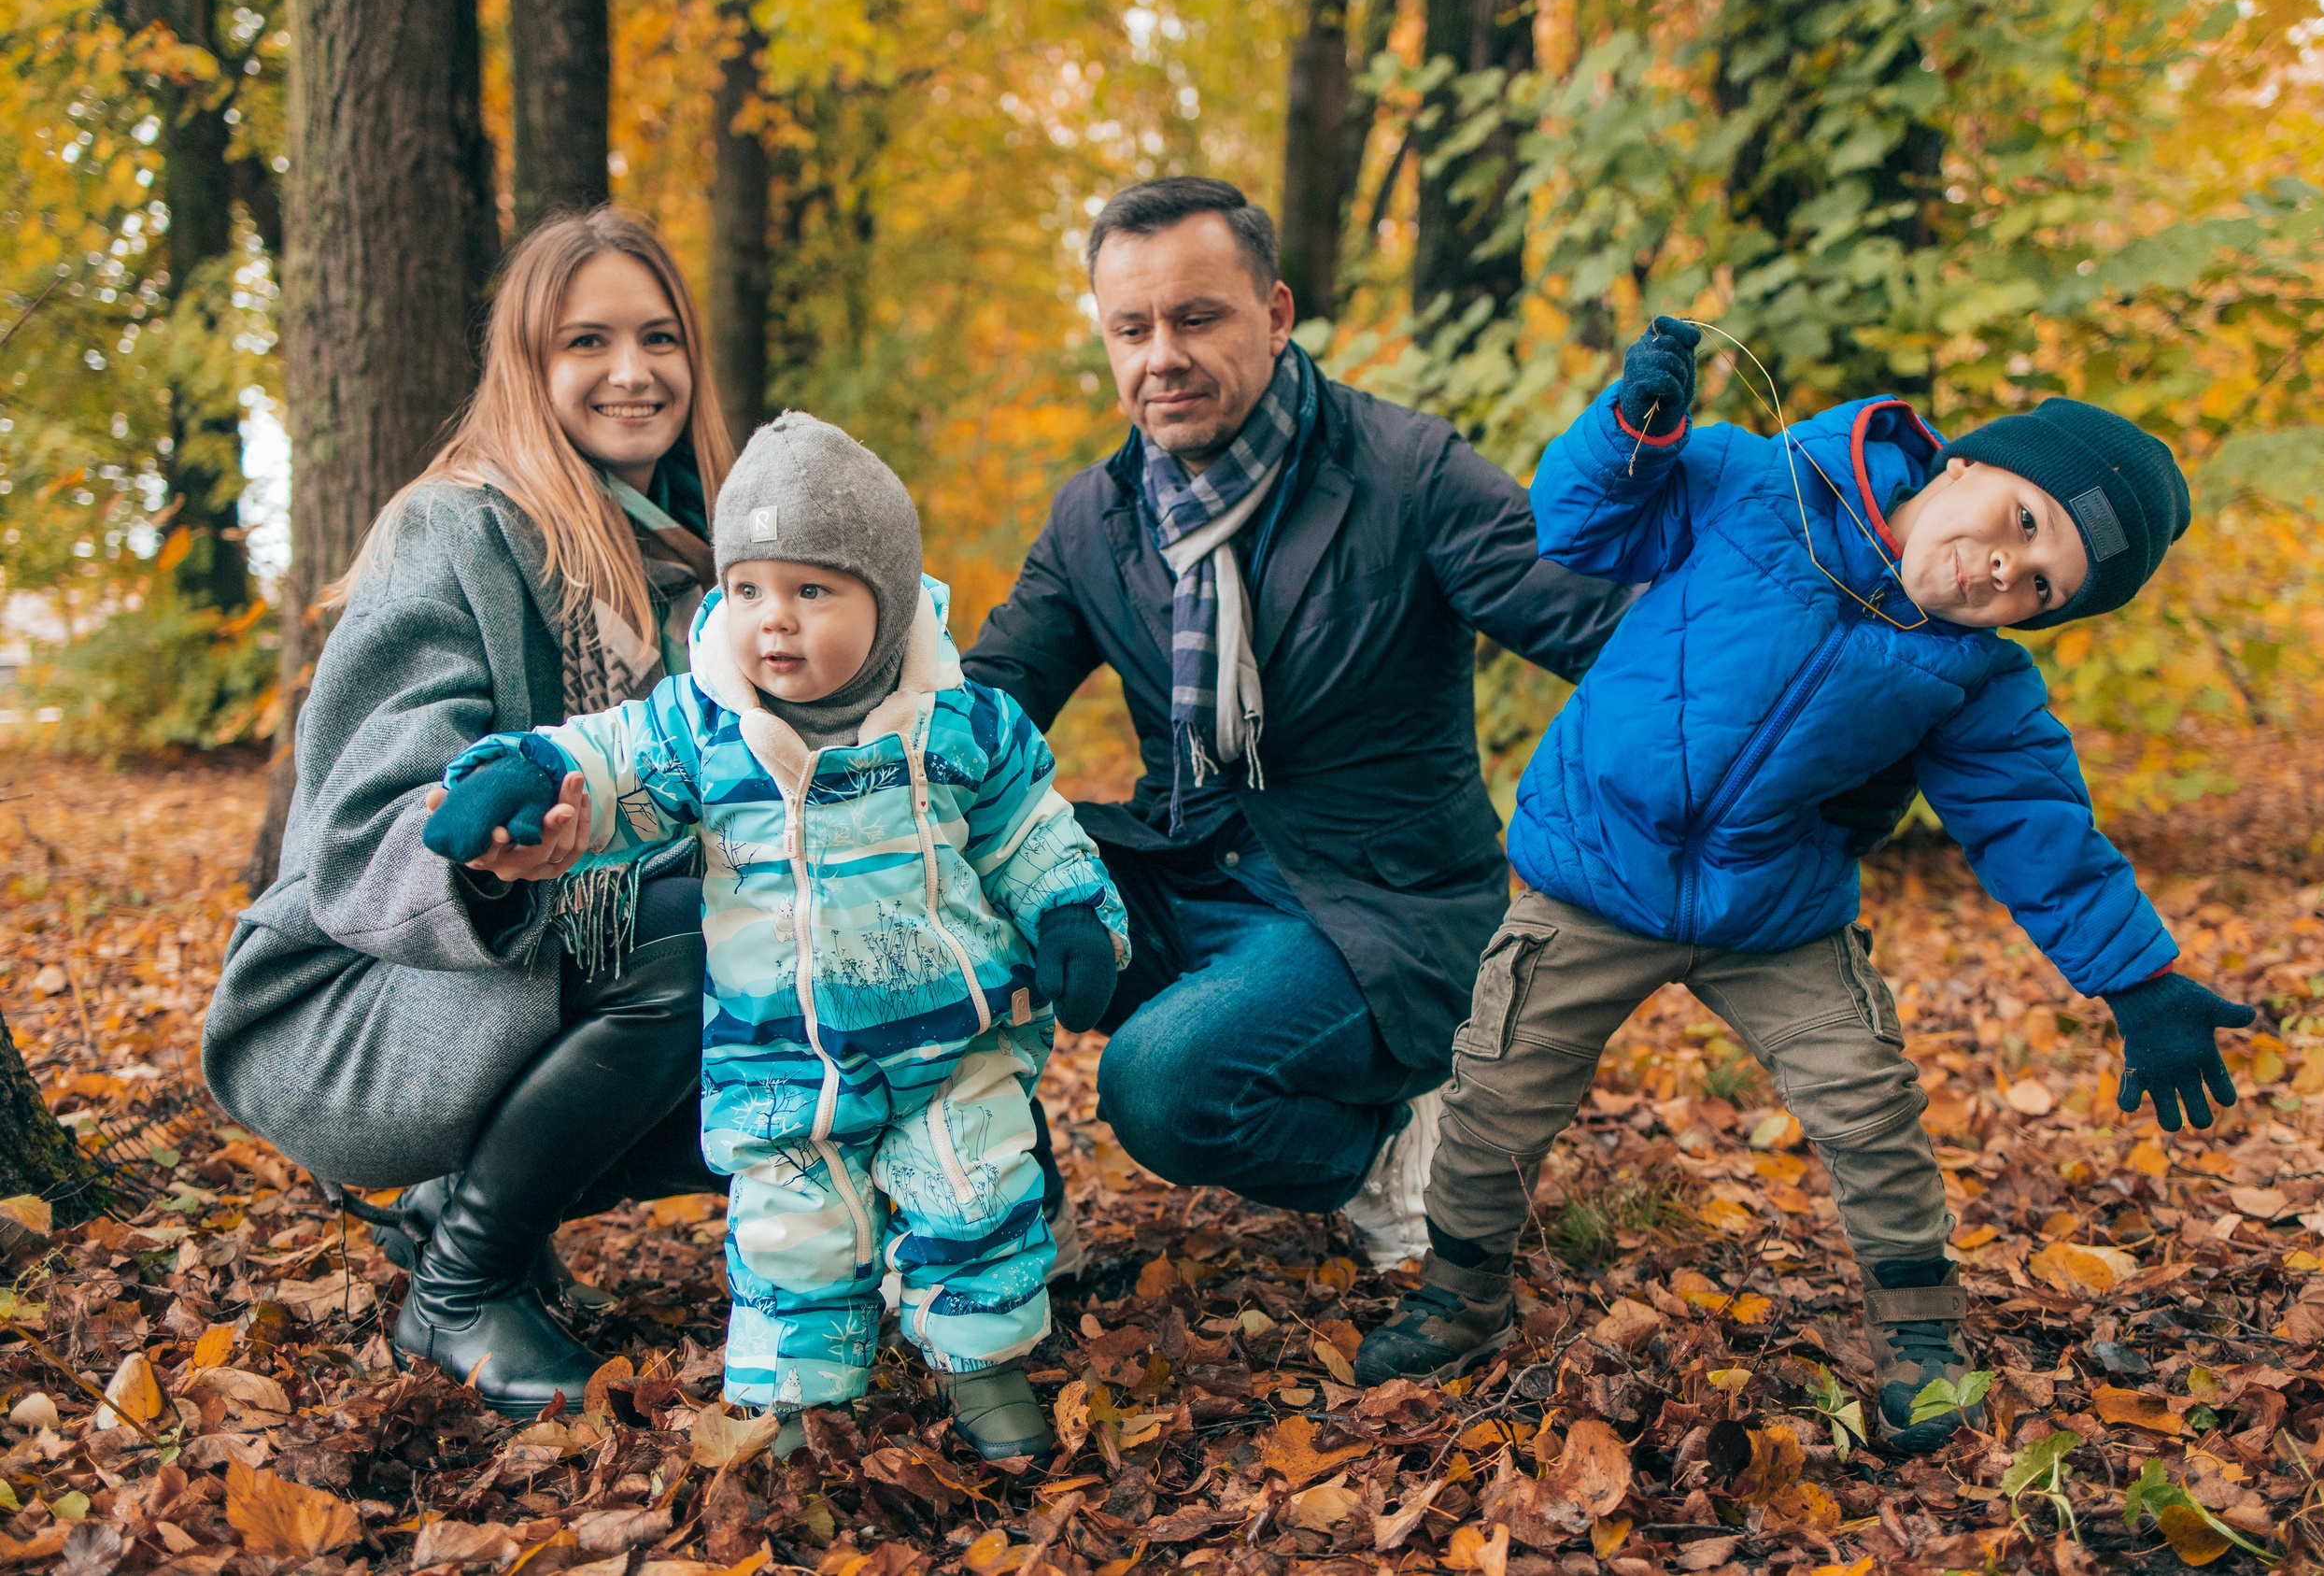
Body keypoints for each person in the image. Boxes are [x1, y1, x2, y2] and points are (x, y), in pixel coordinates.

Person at [963, 179, 1918, 1268]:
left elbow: (1608, 636)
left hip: (1375, 907)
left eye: (1196, 318)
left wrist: (1839, 726)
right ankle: (1002, 1209)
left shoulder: (1404, 473)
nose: (1160, 357)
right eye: (1130, 328)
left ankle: (1389, 1146)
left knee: (1162, 1087)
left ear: (1274, 315)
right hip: (1184, 866)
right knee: (946, 878)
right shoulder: (1096, 516)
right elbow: (979, 712)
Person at [1353, 316, 2258, 1455]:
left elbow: (2038, 828)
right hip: (1593, 872)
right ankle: (1459, 1296)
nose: (2003, 571)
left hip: (1774, 908)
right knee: (1493, 1096)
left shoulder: (1973, 680)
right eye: (2023, 525)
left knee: (1868, 1103)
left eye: (2040, 586)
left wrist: (2140, 978)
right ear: (1966, 460)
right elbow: (1576, 526)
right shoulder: (1753, 478)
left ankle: (1922, 1343)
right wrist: (1634, 432)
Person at [422, 413, 1128, 1462]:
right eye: (748, 589)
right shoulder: (707, 725)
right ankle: (797, 1404)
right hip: (782, 1054)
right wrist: (519, 774)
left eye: (812, 592)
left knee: (977, 1197)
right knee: (793, 1234)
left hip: (953, 1042)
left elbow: (1029, 825)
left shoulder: (960, 722)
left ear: (884, 604)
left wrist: (1073, 913)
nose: (773, 623)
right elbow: (607, 761)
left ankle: (986, 1373)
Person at [202, 206, 735, 1415]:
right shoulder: (458, 530)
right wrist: (493, 851)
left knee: (815, 979)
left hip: (573, 963)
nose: (632, 370)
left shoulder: (701, 568)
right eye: (585, 340)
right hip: (364, 985)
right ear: (529, 367)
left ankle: (474, 1203)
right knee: (687, 918)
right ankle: (458, 1285)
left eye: (659, 337)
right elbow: (362, 819)